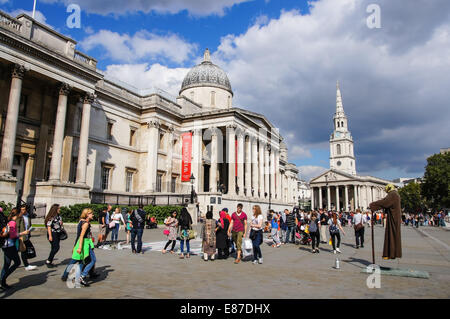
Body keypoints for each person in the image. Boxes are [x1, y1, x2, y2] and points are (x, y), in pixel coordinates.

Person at [61, 208, 96, 287]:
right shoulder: (86, 223)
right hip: (83, 244)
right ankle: (80, 276)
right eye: (91, 213)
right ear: (87, 214)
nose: (93, 215)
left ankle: (68, 276)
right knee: (85, 260)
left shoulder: (81, 221)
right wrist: (79, 247)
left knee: (79, 261)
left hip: (80, 243)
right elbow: (81, 236)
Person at [369, 184, 402, 260]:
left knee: (392, 234)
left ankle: (392, 253)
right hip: (393, 217)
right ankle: (390, 254)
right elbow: (385, 202)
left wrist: (373, 205)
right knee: (391, 235)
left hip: (393, 218)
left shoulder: (393, 194)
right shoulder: (394, 194)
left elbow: (385, 203)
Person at [1, 208, 21, 289]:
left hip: (6, 246)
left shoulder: (8, 220)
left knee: (7, 264)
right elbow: (12, 235)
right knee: (17, 262)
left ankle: (2, 282)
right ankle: (2, 279)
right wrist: (22, 233)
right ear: (17, 214)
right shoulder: (13, 222)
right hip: (9, 246)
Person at [17, 205, 37, 271]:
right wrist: (19, 235)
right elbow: (17, 227)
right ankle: (26, 265)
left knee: (23, 251)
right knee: (23, 251)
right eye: (22, 209)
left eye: (24, 209)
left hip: (26, 235)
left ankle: (24, 264)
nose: (23, 211)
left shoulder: (27, 216)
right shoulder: (19, 217)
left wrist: (30, 230)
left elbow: (29, 225)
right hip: (21, 236)